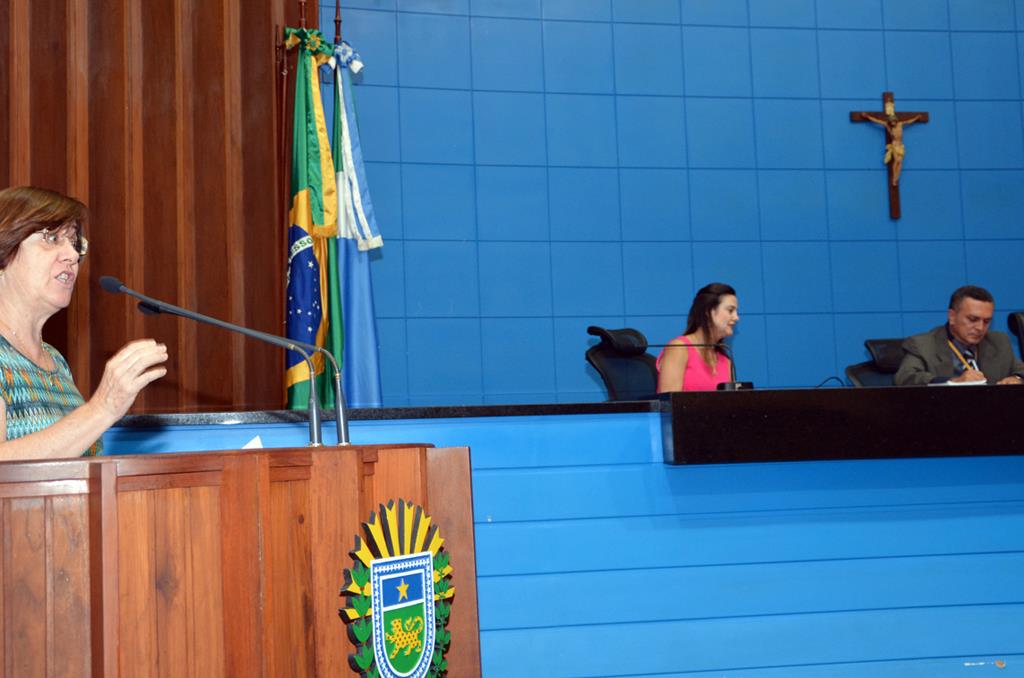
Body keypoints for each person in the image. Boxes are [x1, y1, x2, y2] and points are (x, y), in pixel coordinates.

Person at [0, 186, 169, 460]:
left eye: (74, 242)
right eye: (52, 238)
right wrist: (101, 408)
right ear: (4, 254)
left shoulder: (55, 362)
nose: (72, 255)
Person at [894, 285, 1024, 386]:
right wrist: (952, 381)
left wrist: (1017, 378)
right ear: (952, 316)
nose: (980, 328)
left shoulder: (999, 341)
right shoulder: (923, 344)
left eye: (986, 321)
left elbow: (1021, 370)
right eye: (973, 319)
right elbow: (905, 378)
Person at [656, 283, 739, 393]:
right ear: (708, 311)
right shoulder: (679, 348)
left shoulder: (726, 361)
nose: (736, 317)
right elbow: (669, 400)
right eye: (730, 310)